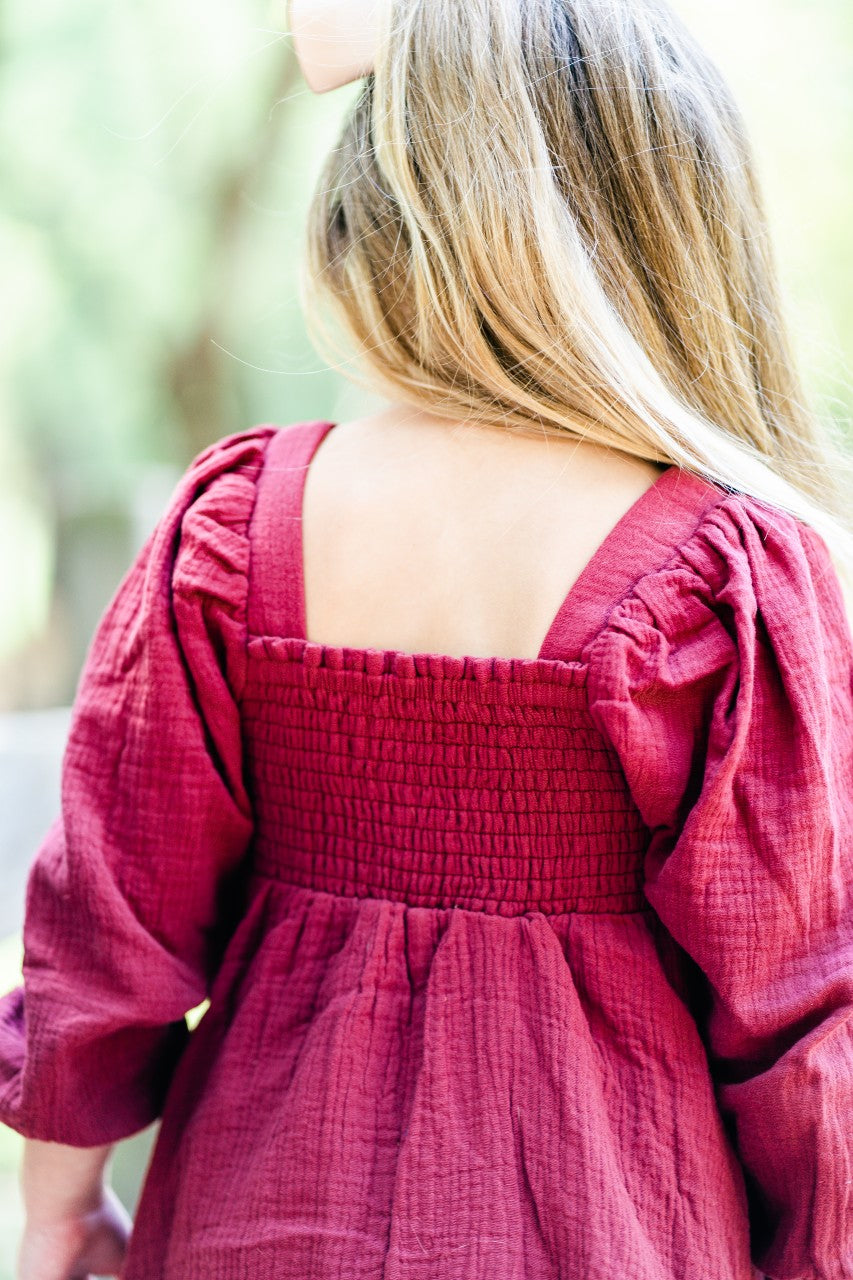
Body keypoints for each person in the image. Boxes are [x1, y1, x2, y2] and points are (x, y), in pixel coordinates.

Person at [2, 0, 852, 1276]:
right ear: (673, 244)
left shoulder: (233, 532)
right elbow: (799, 1017)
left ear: (364, 229)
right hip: (607, 1226)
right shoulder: (715, 577)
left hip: (254, 1220)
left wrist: (58, 1210)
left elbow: (107, 930)